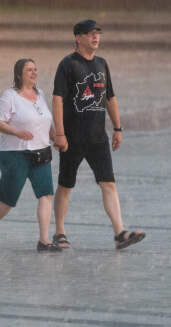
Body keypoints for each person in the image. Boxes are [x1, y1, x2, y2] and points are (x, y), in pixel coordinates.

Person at [52, 19, 145, 250]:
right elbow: (57, 100)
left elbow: (110, 97)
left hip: (97, 137)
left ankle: (119, 233)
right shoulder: (68, 65)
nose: (95, 37)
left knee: (108, 184)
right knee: (66, 185)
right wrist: (60, 134)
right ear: (78, 37)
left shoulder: (102, 64)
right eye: (90, 33)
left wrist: (117, 128)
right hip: (73, 137)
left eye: (97, 33)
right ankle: (59, 232)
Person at [0, 59, 61, 252]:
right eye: (29, 70)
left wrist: (57, 138)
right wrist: (17, 132)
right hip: (14, 153)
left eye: (35, 70)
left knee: (46, 194)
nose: (34, 73)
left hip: (40, 152)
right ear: (19, 74)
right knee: (9, 200)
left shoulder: (40, 94)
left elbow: (45, 122)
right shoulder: (10, 96)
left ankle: (44, 240)